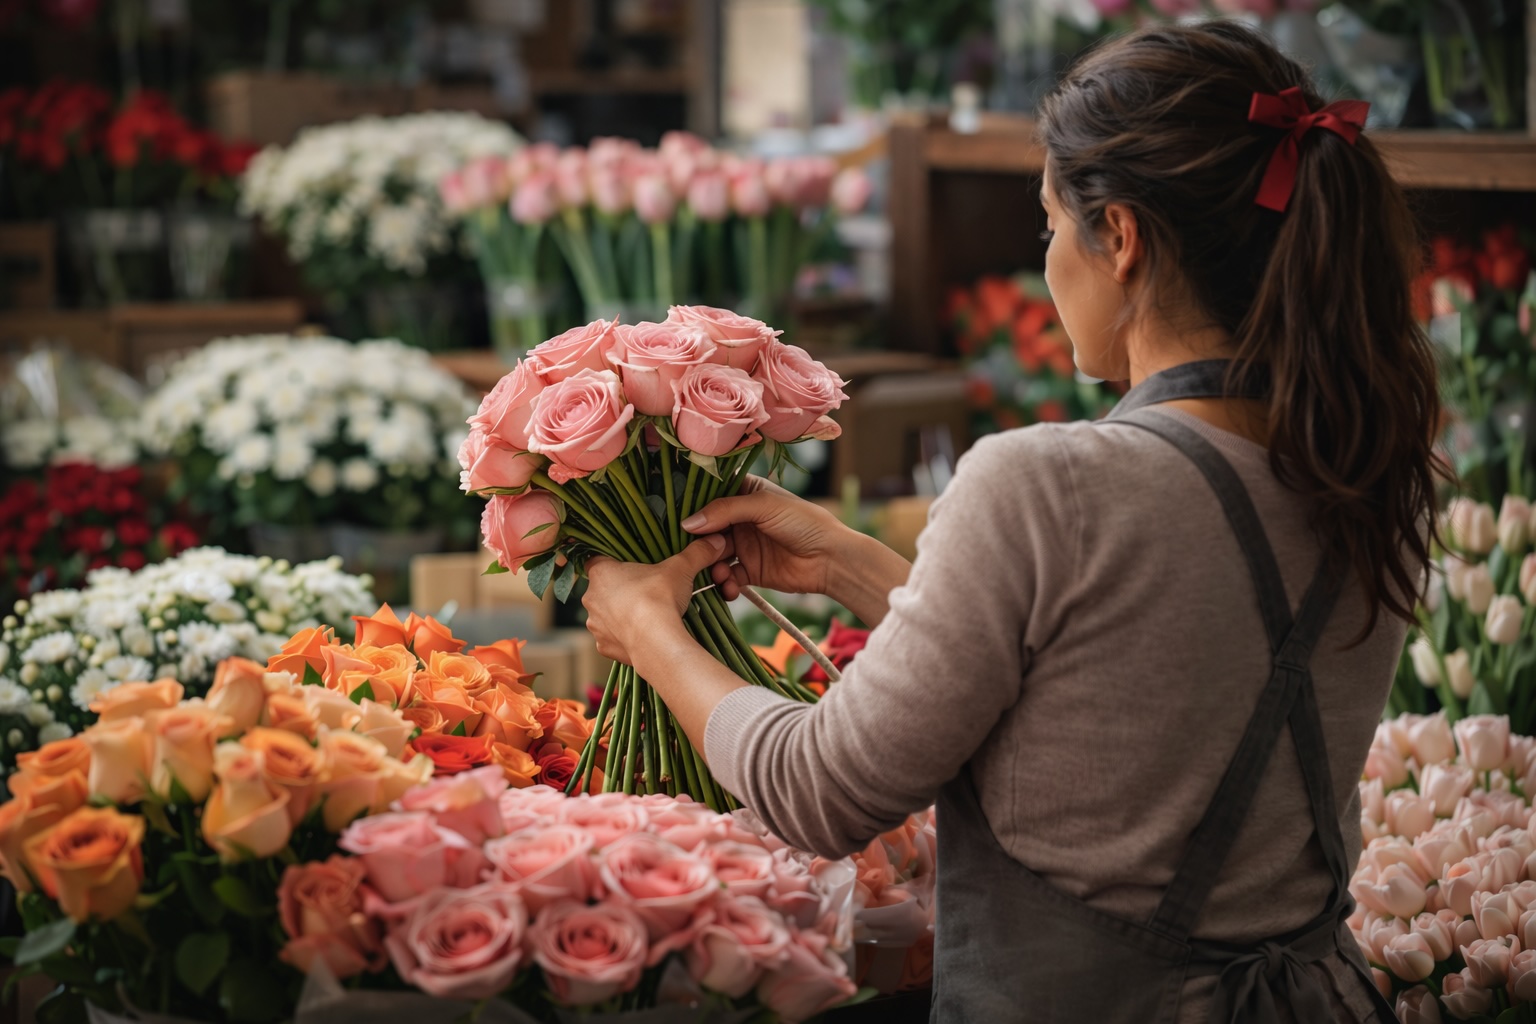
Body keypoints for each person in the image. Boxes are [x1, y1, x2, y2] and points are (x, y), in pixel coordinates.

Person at [581, 20, 1441, 1023]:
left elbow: (820, 789)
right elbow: (1114, 688)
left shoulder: (1053, 483)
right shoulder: (1371, 472)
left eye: (1048, 225)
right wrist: (863, 569)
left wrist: (646, 626)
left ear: (1118, 237)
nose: (1046, 263)